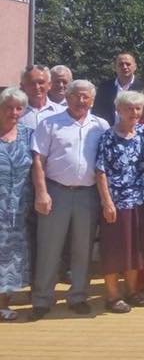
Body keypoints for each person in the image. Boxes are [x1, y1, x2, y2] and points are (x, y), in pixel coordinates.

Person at [30, 80, 109, 320]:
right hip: (57, 193)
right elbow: (38, 162)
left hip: (88, 194)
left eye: (86, 97)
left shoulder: (101, 126)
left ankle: (78, 296)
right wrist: (41, 193)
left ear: (92, 101)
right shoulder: (50, 123)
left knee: (82, 248)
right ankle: (42, 299)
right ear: (69, 97)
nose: (81, 101)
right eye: (76, 96)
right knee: (49, 248)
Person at [94, 90, 144, 313]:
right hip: (116, 202)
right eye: (128, 108)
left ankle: (132, 291)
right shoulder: (108, 136)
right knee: (114, 249)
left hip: (140, 201)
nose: (133, 113)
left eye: (137, 108)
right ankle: (112, 295)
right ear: (118, 110)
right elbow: (100, 171)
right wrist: (107, 202)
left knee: (135, 248)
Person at [0, 88, 33, 321]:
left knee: (11, 256)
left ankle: (3, 304)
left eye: (18, 108)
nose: (14, 112)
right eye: (9, 107)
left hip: (20, 208)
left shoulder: (29, 135)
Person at [94, 53, 144, 126]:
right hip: (109, 132)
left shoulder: (143, 88)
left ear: (135, 67)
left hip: (135, 133)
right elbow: (97, 112)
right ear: (115, 67)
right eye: (121, 64)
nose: (124, 67)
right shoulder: (104, 88)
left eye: (128, 64)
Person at [21, 65, 63, 131]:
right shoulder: (13, 114)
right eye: (31, 83)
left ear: (49, 85)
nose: (37, 87)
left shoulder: (61, 112)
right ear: (23, 87)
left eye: (41, 82)